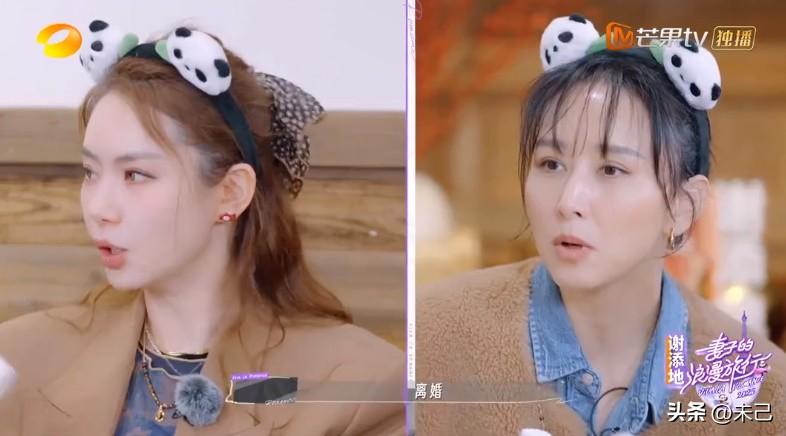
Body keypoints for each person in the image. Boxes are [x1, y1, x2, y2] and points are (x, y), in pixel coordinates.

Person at [0, 20, 404, 435]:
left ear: (230, 192)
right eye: (90, 172)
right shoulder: (18, 360)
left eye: (136, 174)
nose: (98, 208)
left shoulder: (353, 389)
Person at [416, 14, 786, 436]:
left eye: (611, 169)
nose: (568, 201)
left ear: (683, 206)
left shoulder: (766, 391)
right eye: (550, 164)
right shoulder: (431, 340)